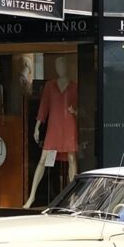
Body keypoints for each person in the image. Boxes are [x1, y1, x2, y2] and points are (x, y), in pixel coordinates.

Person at [23, 57, 78, 209]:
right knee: (43, 160)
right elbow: (44, 106)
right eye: (58, 65)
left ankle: (73, 198)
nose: (61, 68)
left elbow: (83, 108)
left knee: (72, 160)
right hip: (54, 127)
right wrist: (37, 126)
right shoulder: (49, 86)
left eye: (63, 65)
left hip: (69, 126)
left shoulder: (74, 87)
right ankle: (32, 197)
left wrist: (76, 111)